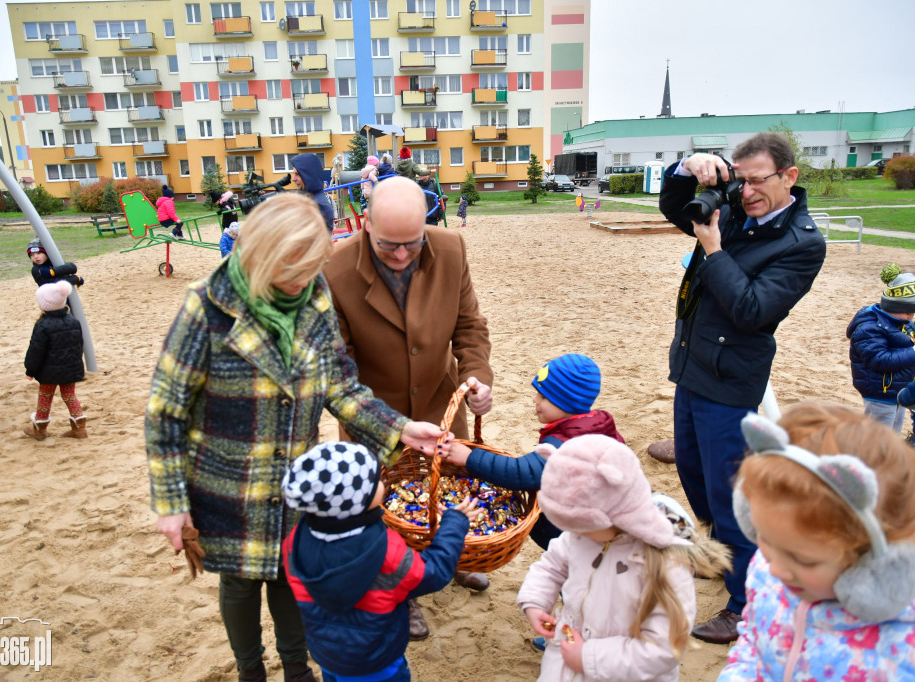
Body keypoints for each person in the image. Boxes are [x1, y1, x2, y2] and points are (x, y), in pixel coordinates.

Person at [144, 192, 452, 682]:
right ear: (258, 255)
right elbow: (165, 412)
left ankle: (296, 668)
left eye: (311, 270)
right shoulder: (206, 307)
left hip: (296, 482)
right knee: (242, 583)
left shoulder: (315, 297)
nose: (301, 282)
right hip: (229, 487)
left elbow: (341, 385)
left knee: (292, 575)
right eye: (291, 270)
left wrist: (399, 427)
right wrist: (171, 502)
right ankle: (250, 670)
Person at [658, 131, 827, 643]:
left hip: (731, 379)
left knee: (731, 494)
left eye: (757, 181)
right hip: (693, 365)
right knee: (692, 472)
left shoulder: (802, 244)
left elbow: (752, 311)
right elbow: (675, 207)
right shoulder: (734, 207)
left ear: (789, 177)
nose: (746, 191)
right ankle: (723, 556)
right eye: (740, 178)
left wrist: (712, 248)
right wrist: (689, 168)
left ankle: (744, 603)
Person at [324, 175, 494, 640]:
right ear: (364, 225)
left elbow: (470, 326)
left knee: (450, 486)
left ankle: (454, 557)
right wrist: (388, 425)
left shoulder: (452, 248)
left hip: (442, 402)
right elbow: (339, 370)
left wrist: (477, 376)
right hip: (373, 415)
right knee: (385, 508)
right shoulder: (334, 271)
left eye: (412, 244)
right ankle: (403, 591)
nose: (401, 255)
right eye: (387, 246)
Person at [720, 404, 915, 680]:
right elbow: (753, 640)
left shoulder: (901, 654)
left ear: (875, 565)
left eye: (803, 560)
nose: (776, 568)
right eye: (764, 537)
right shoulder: (767, 571)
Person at [518, 434, 730, 681]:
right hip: (564, 665)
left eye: (581, 525)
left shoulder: (663, 563)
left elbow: (664, 648)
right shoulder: (582, 534)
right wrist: (535, 602)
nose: (573, 532)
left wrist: (588, 657)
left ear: (617, 512)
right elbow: (552, 565)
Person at [281, 442, 480, 682]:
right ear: (358, 501)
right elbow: (434, 573)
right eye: (375, 481)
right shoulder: (386, 552)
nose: (383, 482)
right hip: (378, 661)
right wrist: (454, 523)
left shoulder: (293, 543)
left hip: (328, 655)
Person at [445, 353, 624, 551]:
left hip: (577, 535)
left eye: (543, 396)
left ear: (567, 402)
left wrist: (469, 457)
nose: (534, 400)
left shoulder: (565, 446)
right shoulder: (597, 427)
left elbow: (520, 472)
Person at [846, 264, 915, 432]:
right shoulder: (869, 328)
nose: (911, 317)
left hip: (899, 388)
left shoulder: (902, 323)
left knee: (893, 431)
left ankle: (887, 456)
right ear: (895, 308)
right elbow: (879, 360)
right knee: (877, 435)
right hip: (880, 392)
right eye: (908, 313)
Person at [23, 280, 87, 440]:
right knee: (70, 395)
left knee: (45, 397)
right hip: (70, 368)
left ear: (43, 305)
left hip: (49, 372)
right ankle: (80, 428)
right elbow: (79, 345)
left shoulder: (43, 325)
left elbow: (36, 350)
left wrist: (30, 369)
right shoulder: (74, 321)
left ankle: (39, 429)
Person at [290, 152, 334, 233]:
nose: (293, 179)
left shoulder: (318, 205)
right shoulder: (309, 198)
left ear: (308, 175)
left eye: (297, 174)